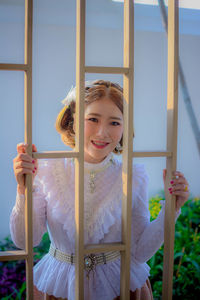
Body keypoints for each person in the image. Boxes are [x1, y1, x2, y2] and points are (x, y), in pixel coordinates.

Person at [11, 80, 189, 300]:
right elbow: (25, 241)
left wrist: (172, 209)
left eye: (114, 123)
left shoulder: (133, 176)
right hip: (60, 289)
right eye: (92, 119)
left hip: (122, 288)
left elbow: (141, 252)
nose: (103, 132)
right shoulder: (48, 169)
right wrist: (23, 189)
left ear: (124, 127)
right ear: (73, 120)